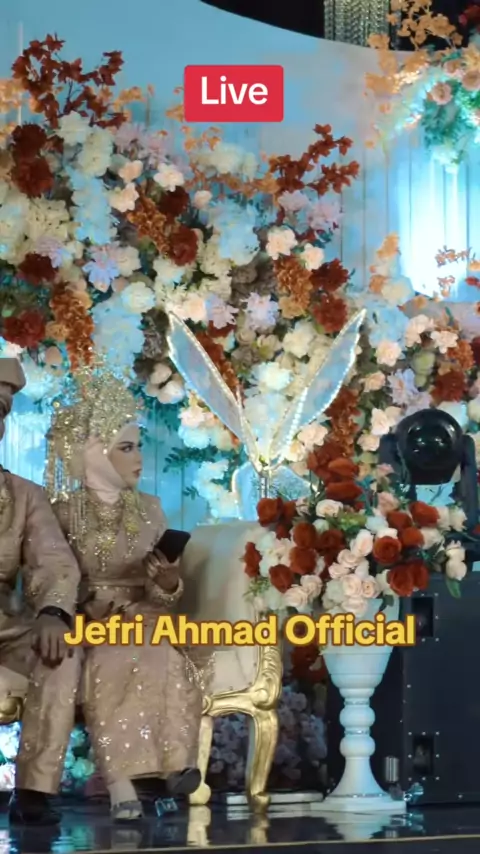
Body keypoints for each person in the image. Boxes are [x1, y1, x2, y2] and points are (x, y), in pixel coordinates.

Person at [41, 364, 204, 822]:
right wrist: (80, 608)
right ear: (94, 453)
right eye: (126, 448)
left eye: (139, 446)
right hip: (88, 621)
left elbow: (165, 591)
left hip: (144, 616)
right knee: (114, 659)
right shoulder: (61, 512)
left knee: (164, 655)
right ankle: (122, 782)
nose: (139, 458)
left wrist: (168, 580)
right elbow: (48, 574)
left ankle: (174, 769)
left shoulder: (150, 508)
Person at [0, 358, 81, 825]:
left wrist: (53, 612)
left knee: (60, 652)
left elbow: (53, 560)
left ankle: (34, 789)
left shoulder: (24, 495)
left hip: (7, 623)